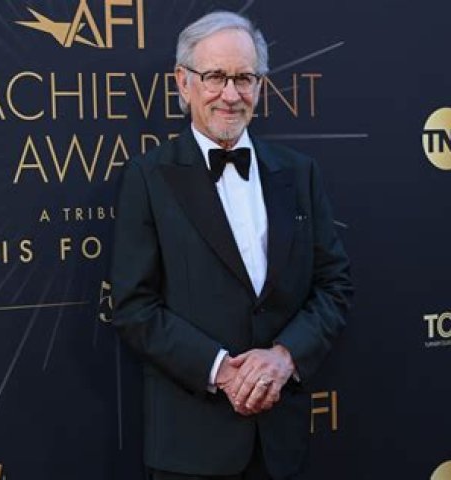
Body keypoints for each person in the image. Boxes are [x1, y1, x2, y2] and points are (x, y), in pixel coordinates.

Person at [111, 11, 353, 480]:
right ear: (183, 83)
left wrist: (284, 358)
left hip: (280, 443)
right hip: (191, 447)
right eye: (215, 76)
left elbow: (334, 284)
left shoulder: (298, 174)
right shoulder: (148, 177)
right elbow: (133, 307)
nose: (230, 94)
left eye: (244, 78)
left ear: (259, 86)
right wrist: (223, 371)